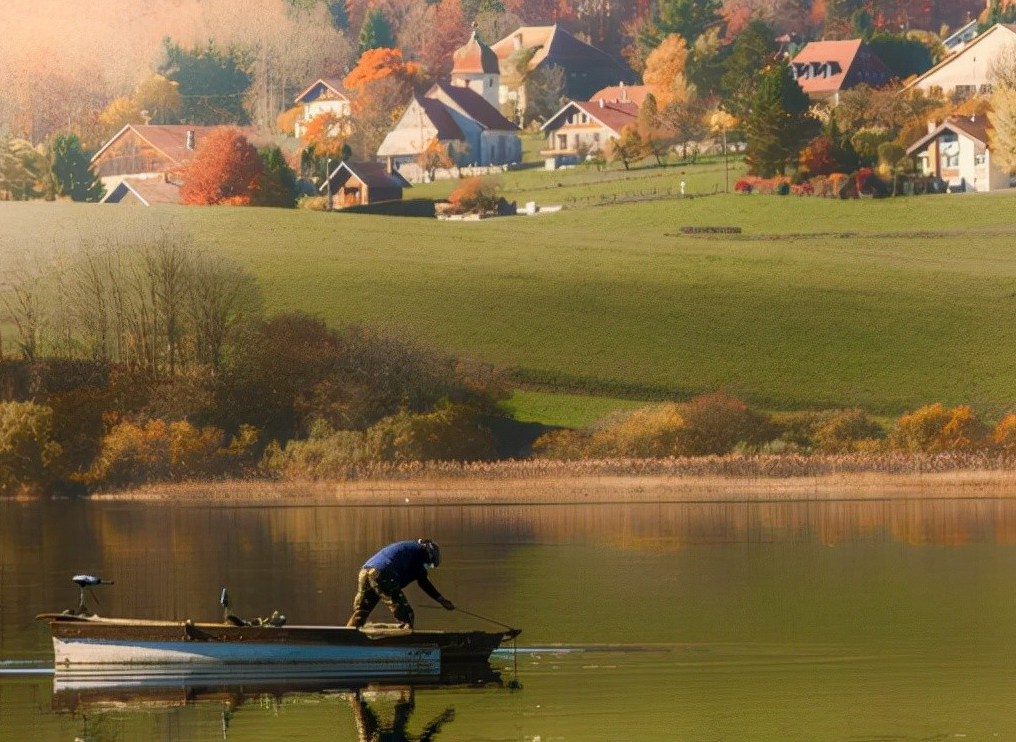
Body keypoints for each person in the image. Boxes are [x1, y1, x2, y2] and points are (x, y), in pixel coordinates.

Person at [347, 539, 454, 629]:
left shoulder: (409, 548)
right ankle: (404, 641)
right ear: (429, 554)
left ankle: (348, 636)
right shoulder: (421, 552)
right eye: (429, 564)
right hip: (383, 574)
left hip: (365, 572)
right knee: (407, 615)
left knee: (361, 611)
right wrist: (442, 600)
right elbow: (423, 582)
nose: (427, 566)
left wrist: (441, 600)